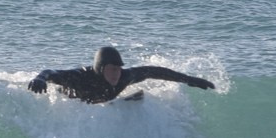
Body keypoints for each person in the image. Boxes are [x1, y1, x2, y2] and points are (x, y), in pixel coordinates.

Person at [26, 46, 214, 103]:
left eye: (118, 68)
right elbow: (51, 72)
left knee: (140, 97)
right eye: (112, 69)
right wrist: (41, 78)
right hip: (73, 100)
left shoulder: (125, 76)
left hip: (104, 99)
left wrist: (189, 79)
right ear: (101, 68)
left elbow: (155, 71)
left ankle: (117, 104)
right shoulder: (81, 77)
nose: (117, 73)